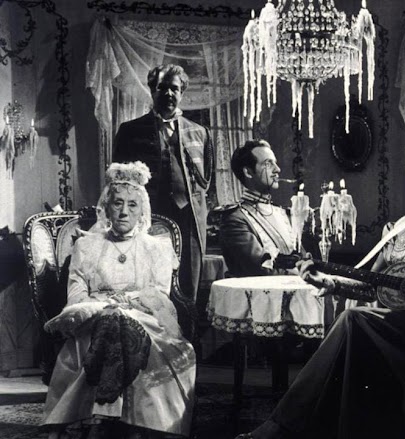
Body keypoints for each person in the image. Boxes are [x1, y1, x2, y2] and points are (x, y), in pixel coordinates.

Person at [235, 137, 405, 439]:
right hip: (395, 331)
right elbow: (371, 285)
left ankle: (279, 428)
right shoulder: (400, 227)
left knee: (354, 320)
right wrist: (329, 282)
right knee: (358, 336)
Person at [41, 161, 196, 438]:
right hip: (93, 318)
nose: (124, 211)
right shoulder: (86, 246)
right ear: (107, 207)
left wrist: (122, 306)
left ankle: (103, 416)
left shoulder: (156, 248)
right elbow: (76, 295)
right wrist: (106, 309)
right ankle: (114, 417)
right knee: (111, 321)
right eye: (118, 203)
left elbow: (158, 295)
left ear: (142, 211)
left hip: (146, 320)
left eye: (132, 205)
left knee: (120, 322)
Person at [113, 63, 214, 319]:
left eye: (175, 88)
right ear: (152, 90)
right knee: (151, 281)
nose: (169, 93)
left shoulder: (200, 133)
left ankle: (188, 335)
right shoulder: (130, 131)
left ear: (182, 93)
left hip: (189, 219)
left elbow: (205, 181)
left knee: (188, 282)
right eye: (162, 87)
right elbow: (118, 184)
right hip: (150, 218)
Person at [219, 139, 297, 277]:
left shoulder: (282, 213)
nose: (277, 169)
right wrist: (301, 274)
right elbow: (258, 271)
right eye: (268, 164)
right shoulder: (234, 219)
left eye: (275, 163)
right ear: (248, 172)